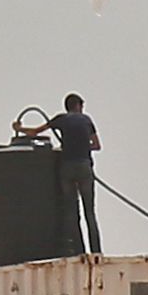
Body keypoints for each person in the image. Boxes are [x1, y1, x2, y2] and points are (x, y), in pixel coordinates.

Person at [43, 92, 104, 253]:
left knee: (72, 212)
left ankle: (79, 251)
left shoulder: (60, 119)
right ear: (78, 106)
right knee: (89, 212)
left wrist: (18, 128)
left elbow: (35, 132)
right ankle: (96, 251)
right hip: (84, 167)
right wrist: (83, 146)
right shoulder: (86, 120)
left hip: (67, 168)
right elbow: (97, 145)